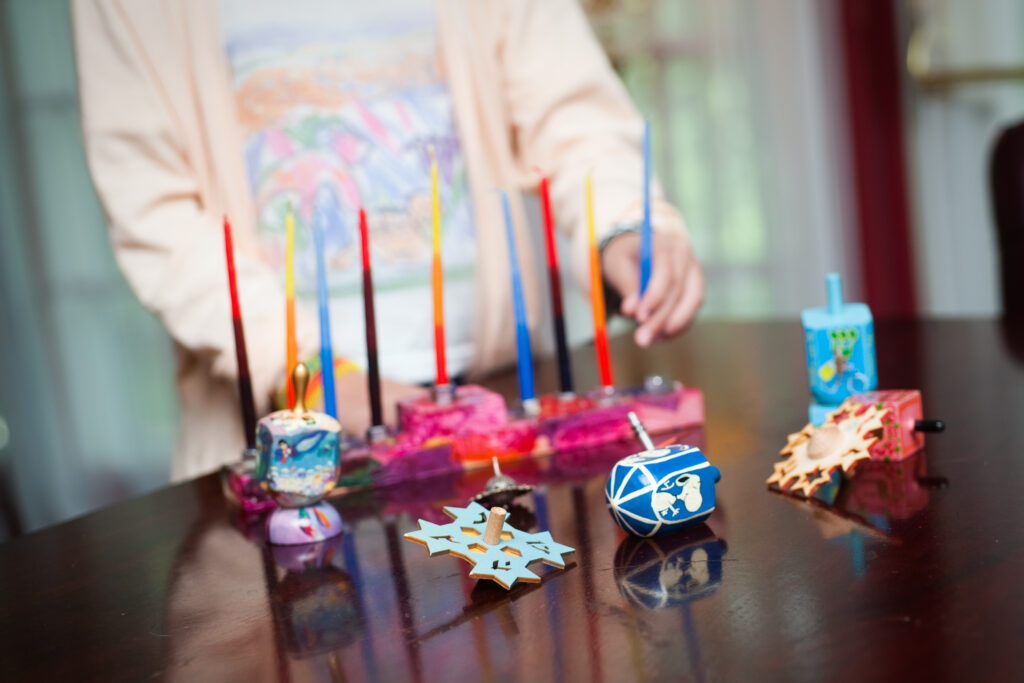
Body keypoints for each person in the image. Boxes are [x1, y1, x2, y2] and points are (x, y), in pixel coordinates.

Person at [72, 0, 703, 481]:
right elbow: (154, 208)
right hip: (291, 432)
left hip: (509, 392)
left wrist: (625, 220)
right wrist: (302, 368)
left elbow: (574, 115)